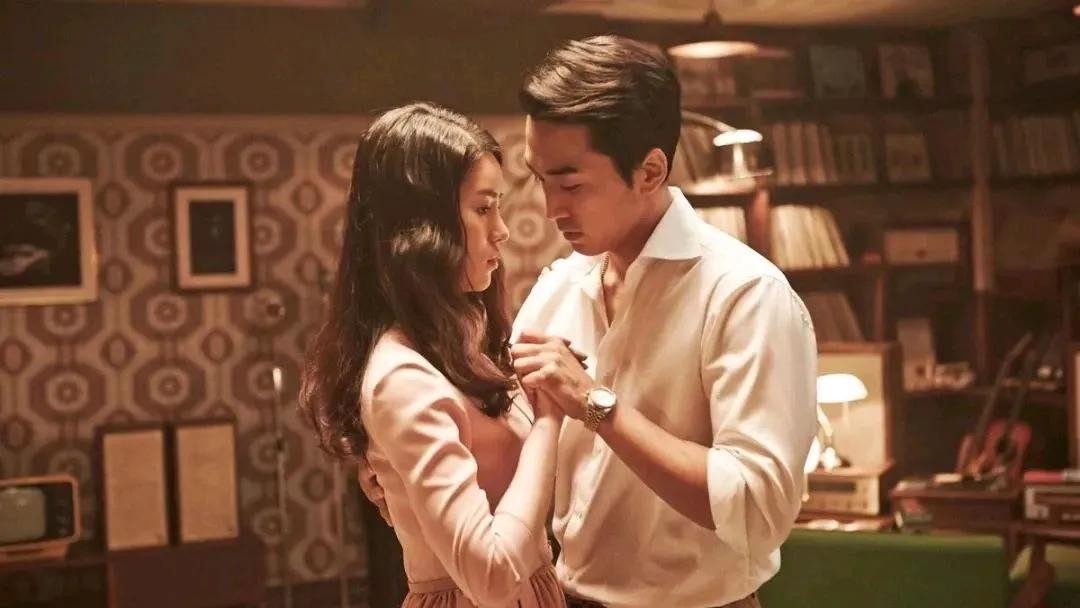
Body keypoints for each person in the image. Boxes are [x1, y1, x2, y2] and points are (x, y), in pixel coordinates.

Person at [505, 35, 818, 608]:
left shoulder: (745, 294)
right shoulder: (558, 287)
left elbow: (757, 506)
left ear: (650, 171)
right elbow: (513, 445)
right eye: (539, 179)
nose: (550, 209)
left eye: (571, 184)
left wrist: (597, 405)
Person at [300, 102, 567, 608]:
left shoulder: (466, 338)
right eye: (483, 209)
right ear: (424, 227)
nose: (503, 230)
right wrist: (550, 421)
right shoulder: (401, 375)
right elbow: (490, 577)